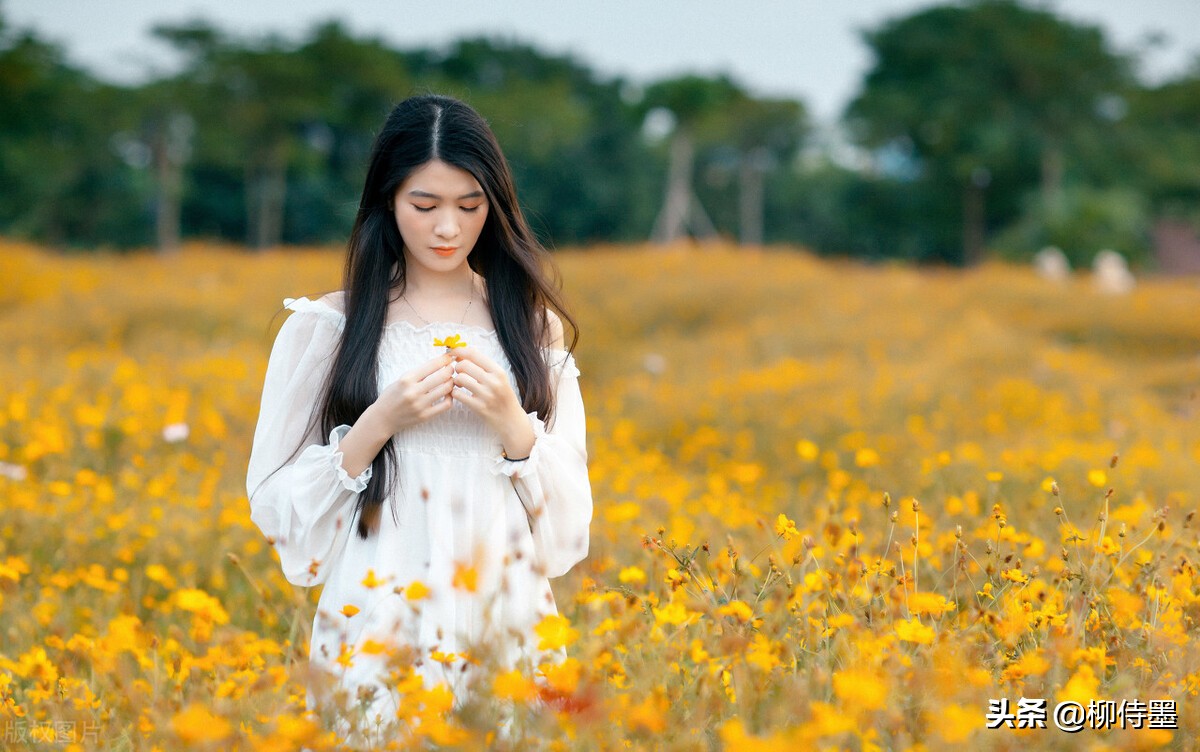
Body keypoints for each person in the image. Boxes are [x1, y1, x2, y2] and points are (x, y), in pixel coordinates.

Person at [245, 94, 593, 744]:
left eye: (469, 206)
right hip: (376, 613)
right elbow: (277, 511)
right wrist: (378, 423)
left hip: (506, 615)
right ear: (387, 203)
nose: (447, 229)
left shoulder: (530, 329)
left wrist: (515, 428)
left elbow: (568, 534)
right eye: (424, 206)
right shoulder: (330, 328)